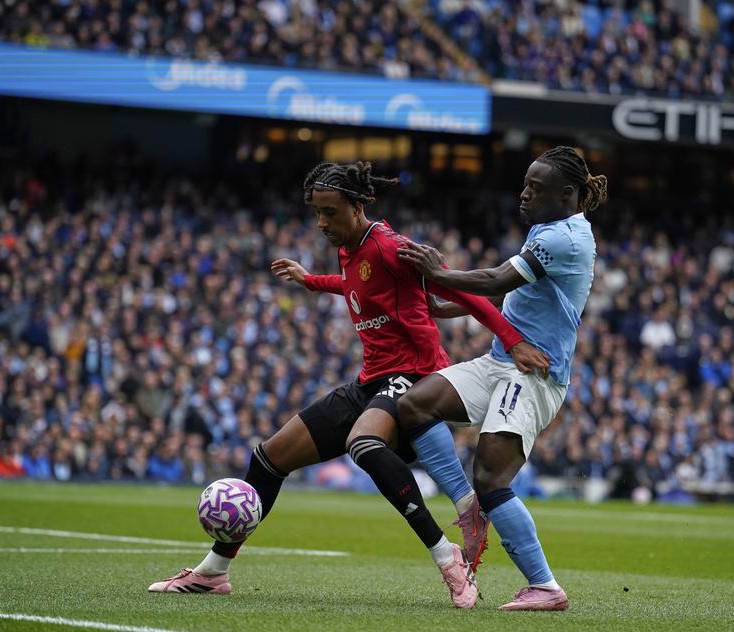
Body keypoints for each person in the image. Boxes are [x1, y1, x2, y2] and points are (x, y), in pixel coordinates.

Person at [148, 161, 550, 607]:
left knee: (364, 444)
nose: (322, 223)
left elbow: (463, 293)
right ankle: (213, 572)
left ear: (357, 208)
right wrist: (311, 282)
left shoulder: (393, 247)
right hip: (371, 381)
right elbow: (356, 283)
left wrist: (513, 342)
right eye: (317, 213)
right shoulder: (349, 246)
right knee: (269, 458)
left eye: (330, 212)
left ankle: (447, 557)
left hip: (415, 377)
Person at [384, 146, 608, 611]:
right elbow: (511, 294)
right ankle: (469, 509)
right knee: (415, 405)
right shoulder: (548, 226)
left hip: (535, 374)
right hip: (499, 360)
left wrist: (439, 273)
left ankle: (545, 586)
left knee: (490, 474)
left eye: (535, 188)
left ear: (566, 194)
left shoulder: (565, 238)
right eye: (525, 184)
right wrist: (446, 306)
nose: (524, 194)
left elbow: (496, 280)